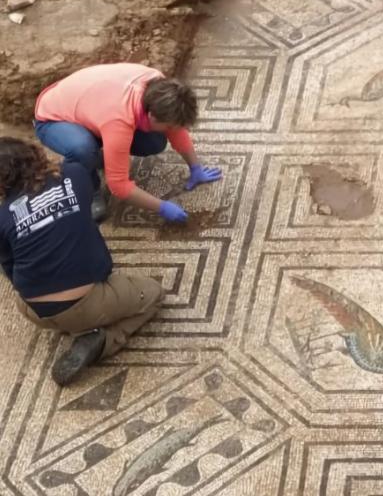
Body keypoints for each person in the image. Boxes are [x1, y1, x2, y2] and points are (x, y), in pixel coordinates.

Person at [0, 137, 164, 386]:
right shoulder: (74, 175)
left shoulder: (2, 216)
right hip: (86, 300)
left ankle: (77, 324)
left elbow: (9, 267)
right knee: (153, 294)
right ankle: (102, 340)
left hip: (33, 309)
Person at [33, 63, 222, 223]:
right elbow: (119, 186)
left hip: (91, 106)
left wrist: (195, 167)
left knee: (154, 142)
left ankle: (102, 154)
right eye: (169, 125)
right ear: (151, 115)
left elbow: (176, 129)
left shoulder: (160, 85)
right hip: (54, 118)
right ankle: (88, 186)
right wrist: (162, 207)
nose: (172, 128)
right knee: (82, 149)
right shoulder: (118, 121)